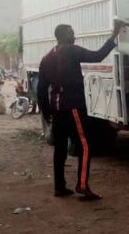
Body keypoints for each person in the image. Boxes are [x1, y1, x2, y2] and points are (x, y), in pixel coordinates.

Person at [37, 21, 123, 200]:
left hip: (57, 108)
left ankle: (59, 187)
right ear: (64, 35)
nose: (74, 35)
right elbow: (97, 56)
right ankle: (82, 185)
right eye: (71, 32)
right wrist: (114, 35)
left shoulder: (46, 58)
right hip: (73, 106)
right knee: (85, 146)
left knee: (60, 148)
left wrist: (47, 112)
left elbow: (41, 89)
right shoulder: (71, 50)